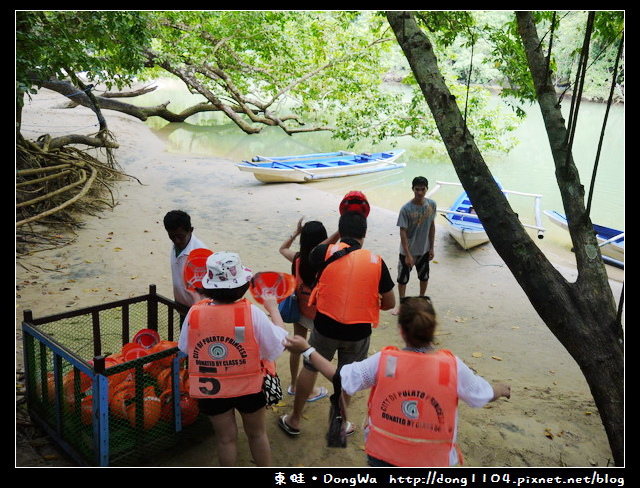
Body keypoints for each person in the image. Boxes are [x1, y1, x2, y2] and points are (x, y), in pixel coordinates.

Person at [283, 296, 511, 467]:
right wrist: (500, 389)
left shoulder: (385, 361)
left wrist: (307, 348)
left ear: (401, 331)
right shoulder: (452, 367)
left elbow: (339, 377)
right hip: (433, 461)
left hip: (382, 455)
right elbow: (480, 395)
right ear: (434, 329)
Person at [278, 211, 395, 437]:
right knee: (348, 375)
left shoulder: (323, 253)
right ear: (365, 233)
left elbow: (310, 253)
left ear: (340, 232)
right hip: (358, 332)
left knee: (311, 366)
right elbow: (390, 303)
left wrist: (334, 236)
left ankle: (294, 420)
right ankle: (338, 425)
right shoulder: (377, 262)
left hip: (325, 326)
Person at [178, 251, 289, 467]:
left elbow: (185, 348)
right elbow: (277, 346)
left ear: (207, 286)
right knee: (257, 434)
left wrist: (198, 305)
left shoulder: (194, 313)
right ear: (242, 285)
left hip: (211, 388)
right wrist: (274, 309)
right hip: (248, 386)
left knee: (225, 439)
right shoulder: (252, 313)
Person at [279, 217, 330, 402]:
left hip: (299, 310)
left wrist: (296, 232)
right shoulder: (327, 262)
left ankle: (293, 384)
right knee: (312, 354)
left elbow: (282, 249)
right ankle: (309, 391)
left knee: (295, 348)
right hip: (318, 314)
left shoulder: (298, 259)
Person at [394, 176, 437, 314]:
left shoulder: (432, 205)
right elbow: (403, 232)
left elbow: (432, 225)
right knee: (402, 279)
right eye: (417, 189)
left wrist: (431, 247)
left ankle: (421, 300)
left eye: (422, 189)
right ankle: (402, 304)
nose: (419, 192)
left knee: (424, 277)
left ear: (426, 189)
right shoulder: (406, 209)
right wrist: (407, 254)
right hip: (408, 251)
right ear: (412, 189)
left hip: (424, 250)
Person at [163, 210, 209, 310]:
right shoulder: (176, 244)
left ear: (190, 230)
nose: (176, 241)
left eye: (180, 236)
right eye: (171, 236)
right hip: (180, 304)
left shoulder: (201, 254)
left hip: (198, 308)